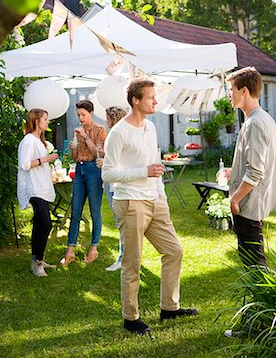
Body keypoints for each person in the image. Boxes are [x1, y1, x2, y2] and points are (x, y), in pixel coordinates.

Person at [102, 78, 199, 335]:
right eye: (150, 97)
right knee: (133, 262)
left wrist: (161, 198)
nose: (156, 101)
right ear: (136, 100)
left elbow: (155, 166)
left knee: (174, 250)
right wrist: (143, 172)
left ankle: (169, 308)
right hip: (130, 202)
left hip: (155, 200)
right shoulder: (119, 132)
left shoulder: (151, 128)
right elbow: (108, 174)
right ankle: (130, 317)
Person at [220, 67, 276, 267]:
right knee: (255, 265)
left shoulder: (255, 123)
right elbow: (259, 163)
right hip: (251, 203)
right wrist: (234, 171)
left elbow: (256, 172)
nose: (229, 95)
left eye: (231, 89)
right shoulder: (261, 118)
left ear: (244, 91)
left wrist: (234, 199)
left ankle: (269, 299)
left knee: (255, 268)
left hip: (248, 206)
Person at [60, 100, 107, 266]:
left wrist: (85, 136)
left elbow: (97, 153)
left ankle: (94, 248)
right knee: (75, 210)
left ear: (91, 113)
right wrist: (73, 147)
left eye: (83, 115)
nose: (80, 118)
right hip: (79, 171)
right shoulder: (77, 132)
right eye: (78, 115)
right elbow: (75, 157)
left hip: (94, 170)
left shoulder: (100, 130)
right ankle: (70, 250)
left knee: (95, 211)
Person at [17, 109, 59, 277]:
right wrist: (46, 159)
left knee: (40, 225)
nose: (47, 122)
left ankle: (37, 261)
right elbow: (25, 164)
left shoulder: (39, 141)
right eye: (45, 119)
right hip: (33, 188)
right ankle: (38, 261)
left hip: (42, 187)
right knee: (46, 224)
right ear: (36, 121)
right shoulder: (28, 141)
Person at [96, 106, 127, 272]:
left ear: (112, 119)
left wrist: (104, 162)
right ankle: (126, 256)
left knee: (121, 222)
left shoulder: (117, 135)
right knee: (121, 222)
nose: (106, 121)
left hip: (116, 184)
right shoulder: (119, 134)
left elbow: (121, 161)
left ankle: (123, 258)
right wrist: (105, 155)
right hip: (114, 183)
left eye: (107, 118)